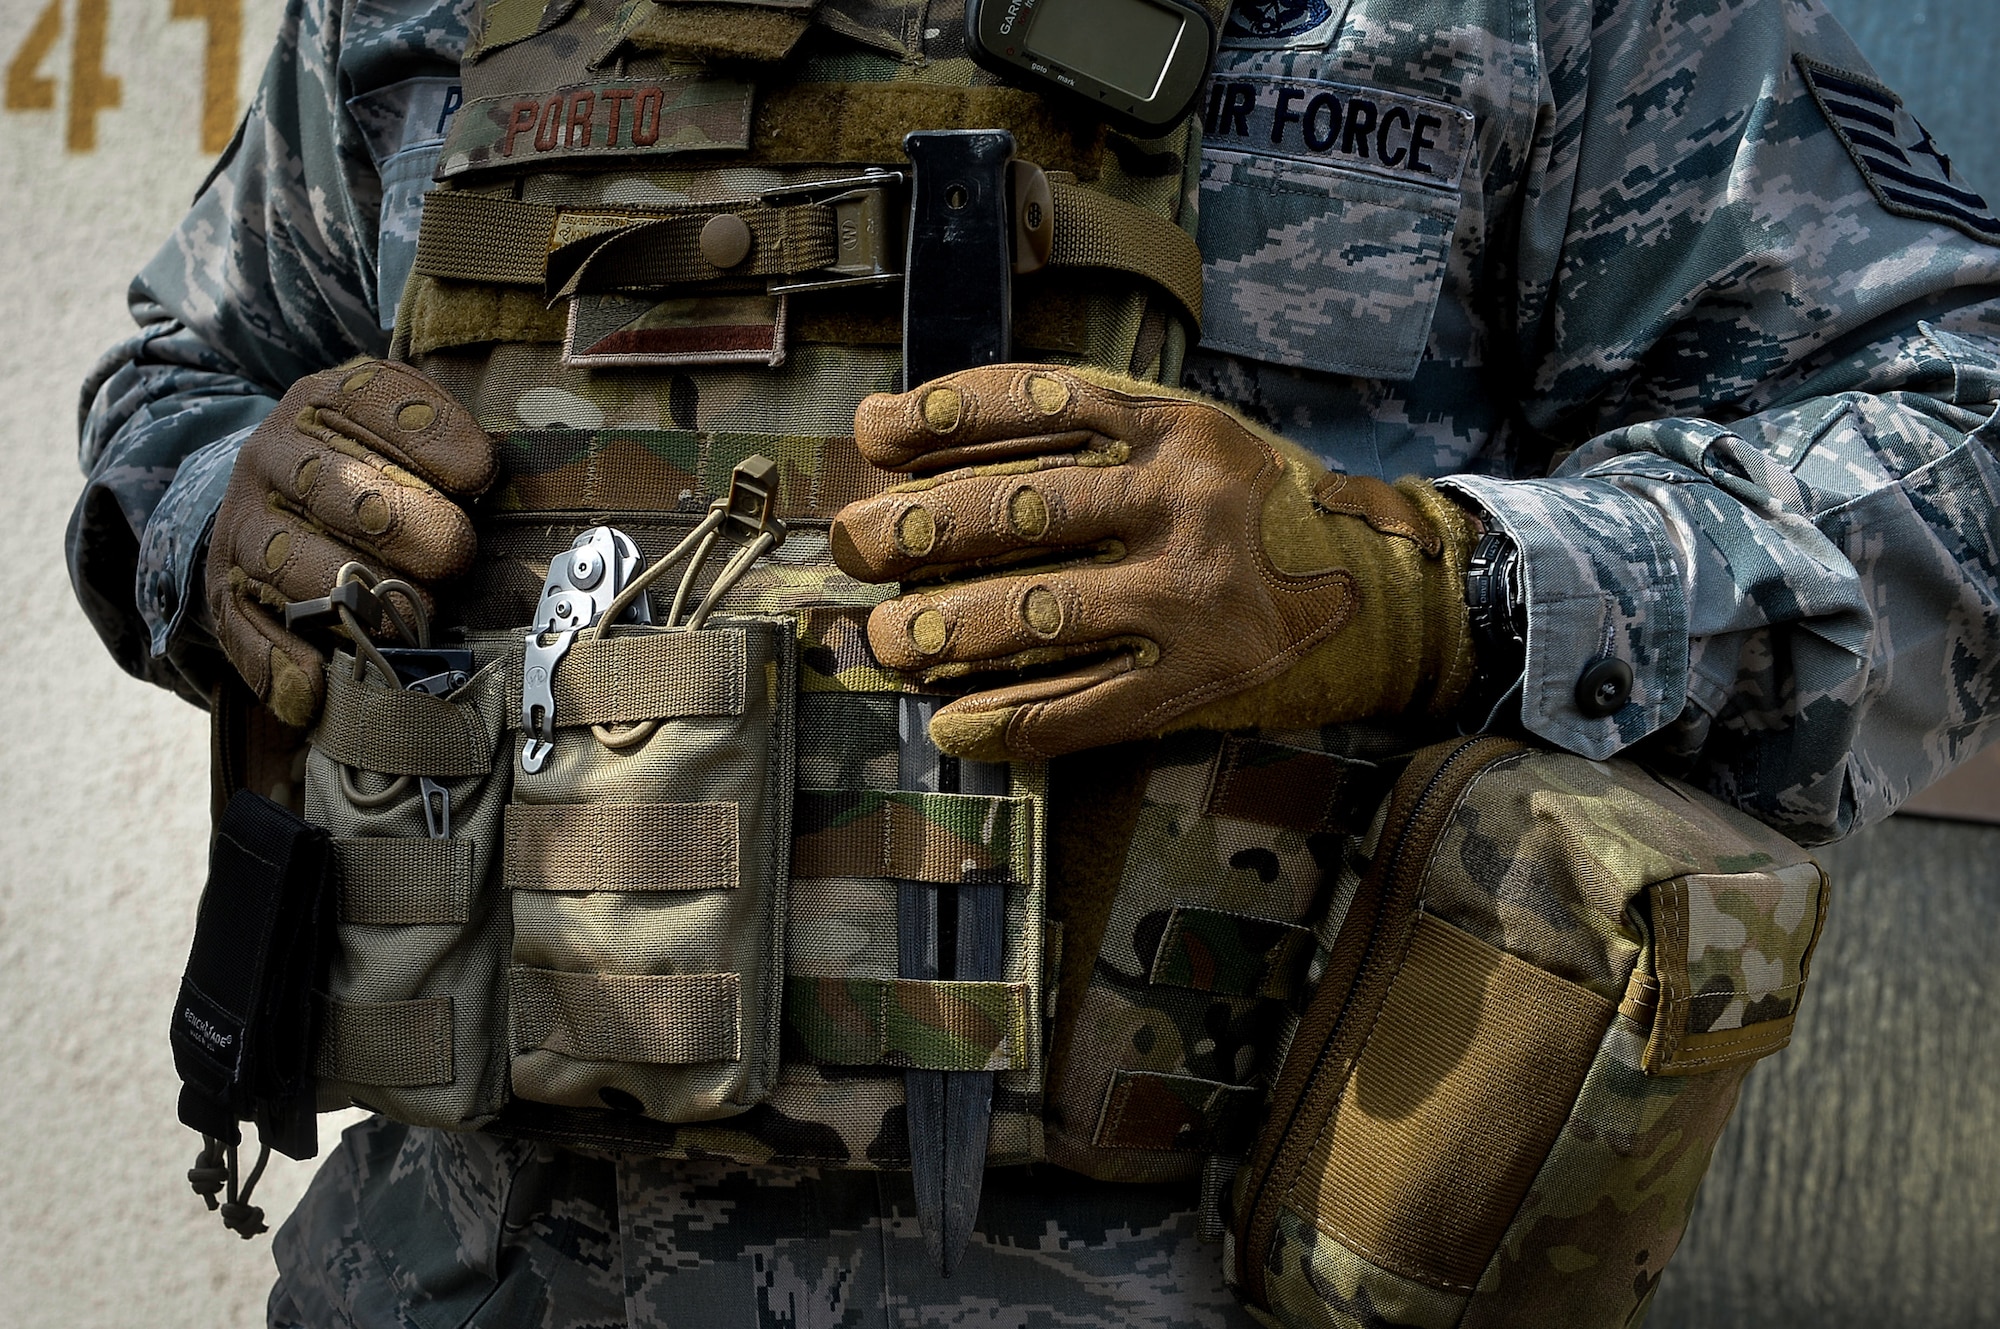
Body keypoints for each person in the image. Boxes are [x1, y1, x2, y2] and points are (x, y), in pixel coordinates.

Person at [66, 0, 2000, 1324]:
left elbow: (1952, 438)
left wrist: (1442, 586)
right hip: (455, 1273)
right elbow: (182, 375)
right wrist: (221, 509)